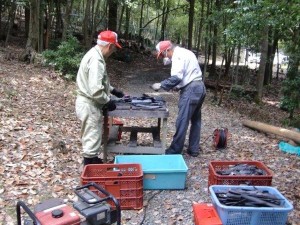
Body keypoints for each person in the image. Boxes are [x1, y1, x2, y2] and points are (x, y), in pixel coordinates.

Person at [75, 30, 125, 166]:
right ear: (109, 46)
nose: (113, 51)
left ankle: (93, 161)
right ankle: (89, 169)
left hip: (89, 104)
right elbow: (96, 90)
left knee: (93, 136)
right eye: (114, 48)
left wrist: (113, 91)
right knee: (91, 137)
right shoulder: (96, 60)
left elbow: (100, 81)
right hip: (89, 104)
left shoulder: (95, 54)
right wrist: (108, 102)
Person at [151, 40, 206, 157]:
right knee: (196, 120)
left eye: (163, 54)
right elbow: (185, 76)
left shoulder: (177, 56)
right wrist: (177, 87)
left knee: (182, 120)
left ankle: (175, 151)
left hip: (191, 89)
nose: (164, 57)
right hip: (200, 87)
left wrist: (161, 85)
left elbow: (177, 77)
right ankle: (193, 149)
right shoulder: (185, 52)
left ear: (167, 50)